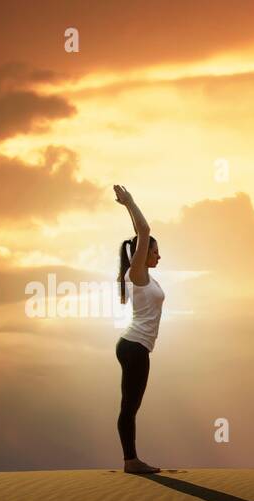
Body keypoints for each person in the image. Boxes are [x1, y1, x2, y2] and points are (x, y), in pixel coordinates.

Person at [112, 184, 165, 474]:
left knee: (130, 405)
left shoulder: (143, 276)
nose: (158, 256)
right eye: (156, 251)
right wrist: (130, 203)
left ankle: (131, 459)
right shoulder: (137, 273)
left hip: (133, 345)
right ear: (143, 254)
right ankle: (131, 461)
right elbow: (143, 232)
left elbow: (140, 237)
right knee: (130, 406)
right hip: (134, 347)